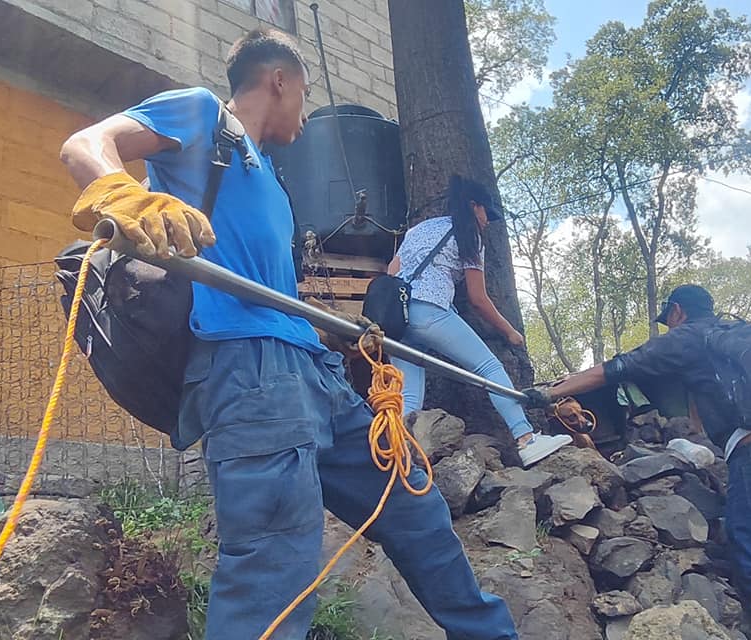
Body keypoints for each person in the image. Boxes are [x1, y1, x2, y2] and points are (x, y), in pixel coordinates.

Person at [59, 28, 517, 640]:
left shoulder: (270, 175)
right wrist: (123, 194)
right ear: (281, 80)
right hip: (246, 372)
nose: (304, 115)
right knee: (274, 570)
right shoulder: (203, 116)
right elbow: (86, 144)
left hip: (314, 372)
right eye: (304, 94)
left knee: (415, 508)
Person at [526, 284, 751, 625]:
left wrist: (550, 393)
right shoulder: (742, 332)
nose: (668, 327)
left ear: (677, 311)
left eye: (668, 320)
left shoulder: (688, 337)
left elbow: (617, 368)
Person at [386, 175, 572, 466]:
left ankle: (394, 459)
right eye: (487, 213)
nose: (488, 221)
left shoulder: (419, 229)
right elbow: (477, 298)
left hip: (397, 318)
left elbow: (391, 270)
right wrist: (509, 331)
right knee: (488, 368)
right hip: (430, 311)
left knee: (408, 398)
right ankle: (526, 439)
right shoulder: (468, 234)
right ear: (474, 206)